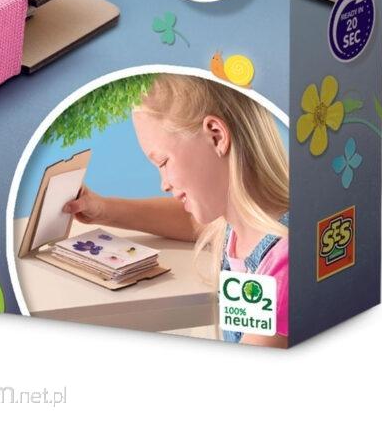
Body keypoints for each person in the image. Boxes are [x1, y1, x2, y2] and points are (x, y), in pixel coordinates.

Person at [63, 73, 289, 346]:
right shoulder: (239, 226)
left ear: (216, 136)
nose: (164, 184)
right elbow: (191, 221)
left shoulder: (282, 264)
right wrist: (103, 209)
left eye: (163, 162)